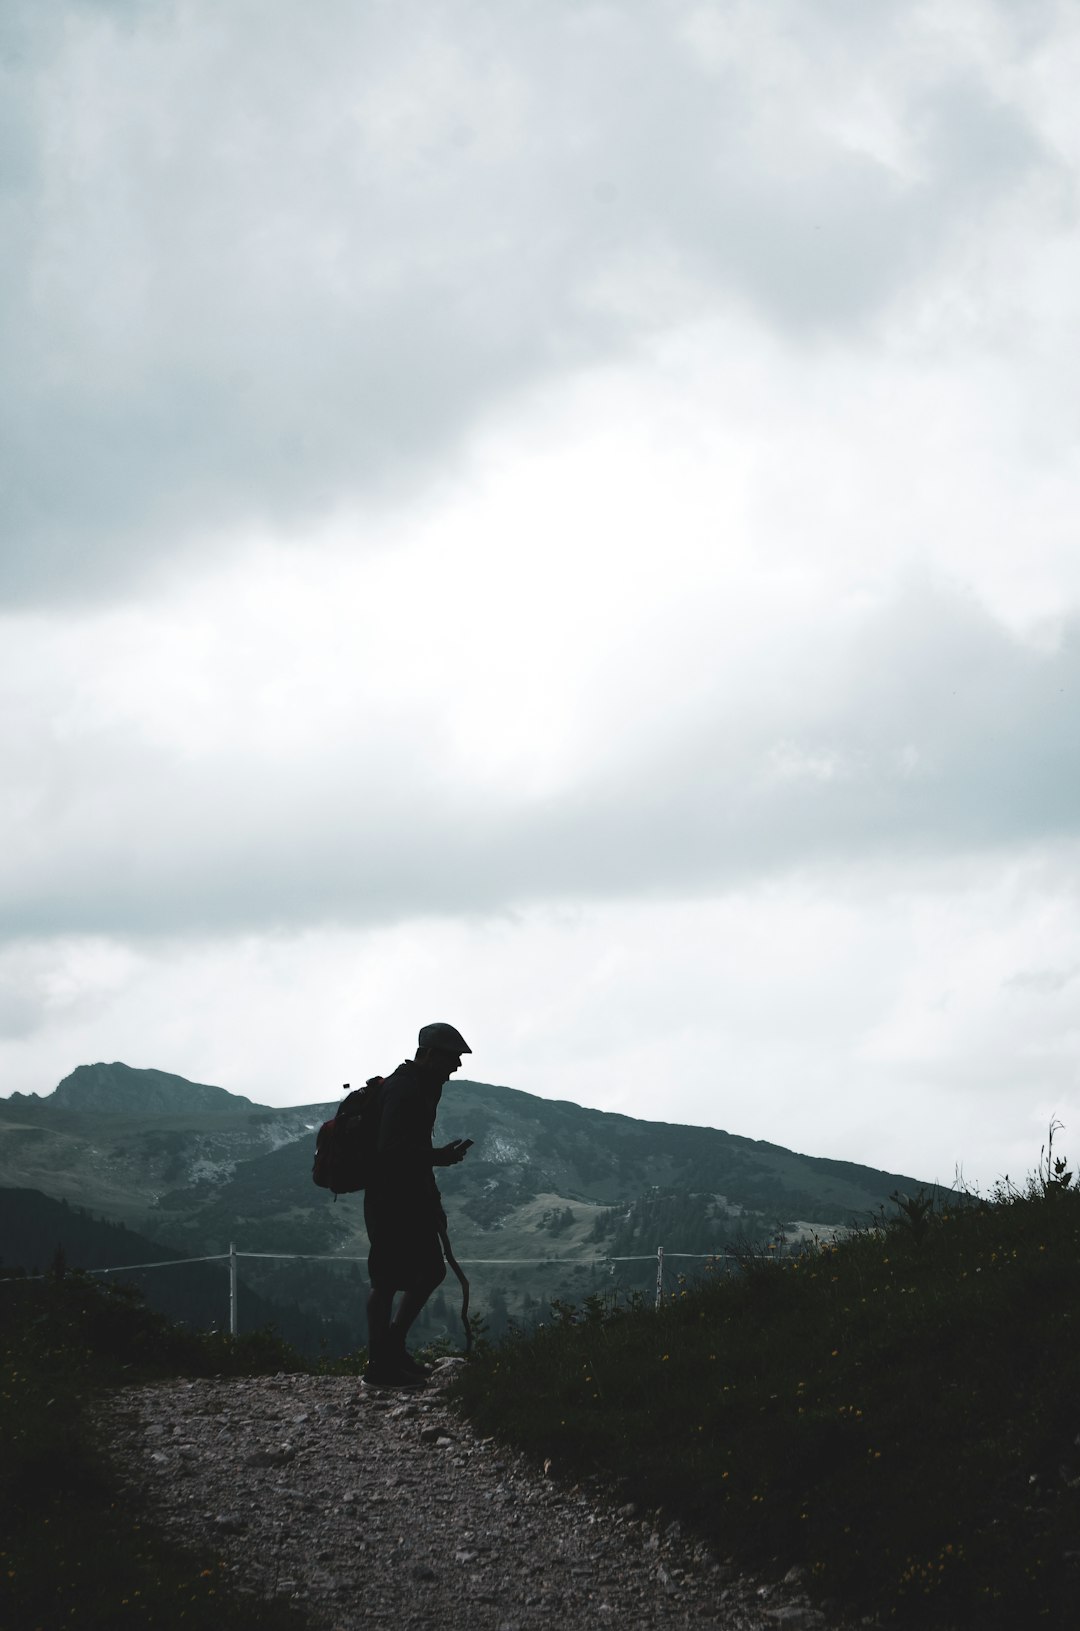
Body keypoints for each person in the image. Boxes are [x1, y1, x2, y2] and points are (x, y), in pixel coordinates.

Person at [363, 1022, 473, 1387]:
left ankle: (391, 1350)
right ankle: (380, 1364)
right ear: (427, 1054)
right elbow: (389, 1150)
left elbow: (406, 1149)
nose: (456, 1067)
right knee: (386, 1281)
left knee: (428, 1271)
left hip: (409, 1197)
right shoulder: (404, 1089)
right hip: (391, 1199)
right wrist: (437, 1157)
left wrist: (432, 1191)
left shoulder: (422, 1087)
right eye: (451, 1058)